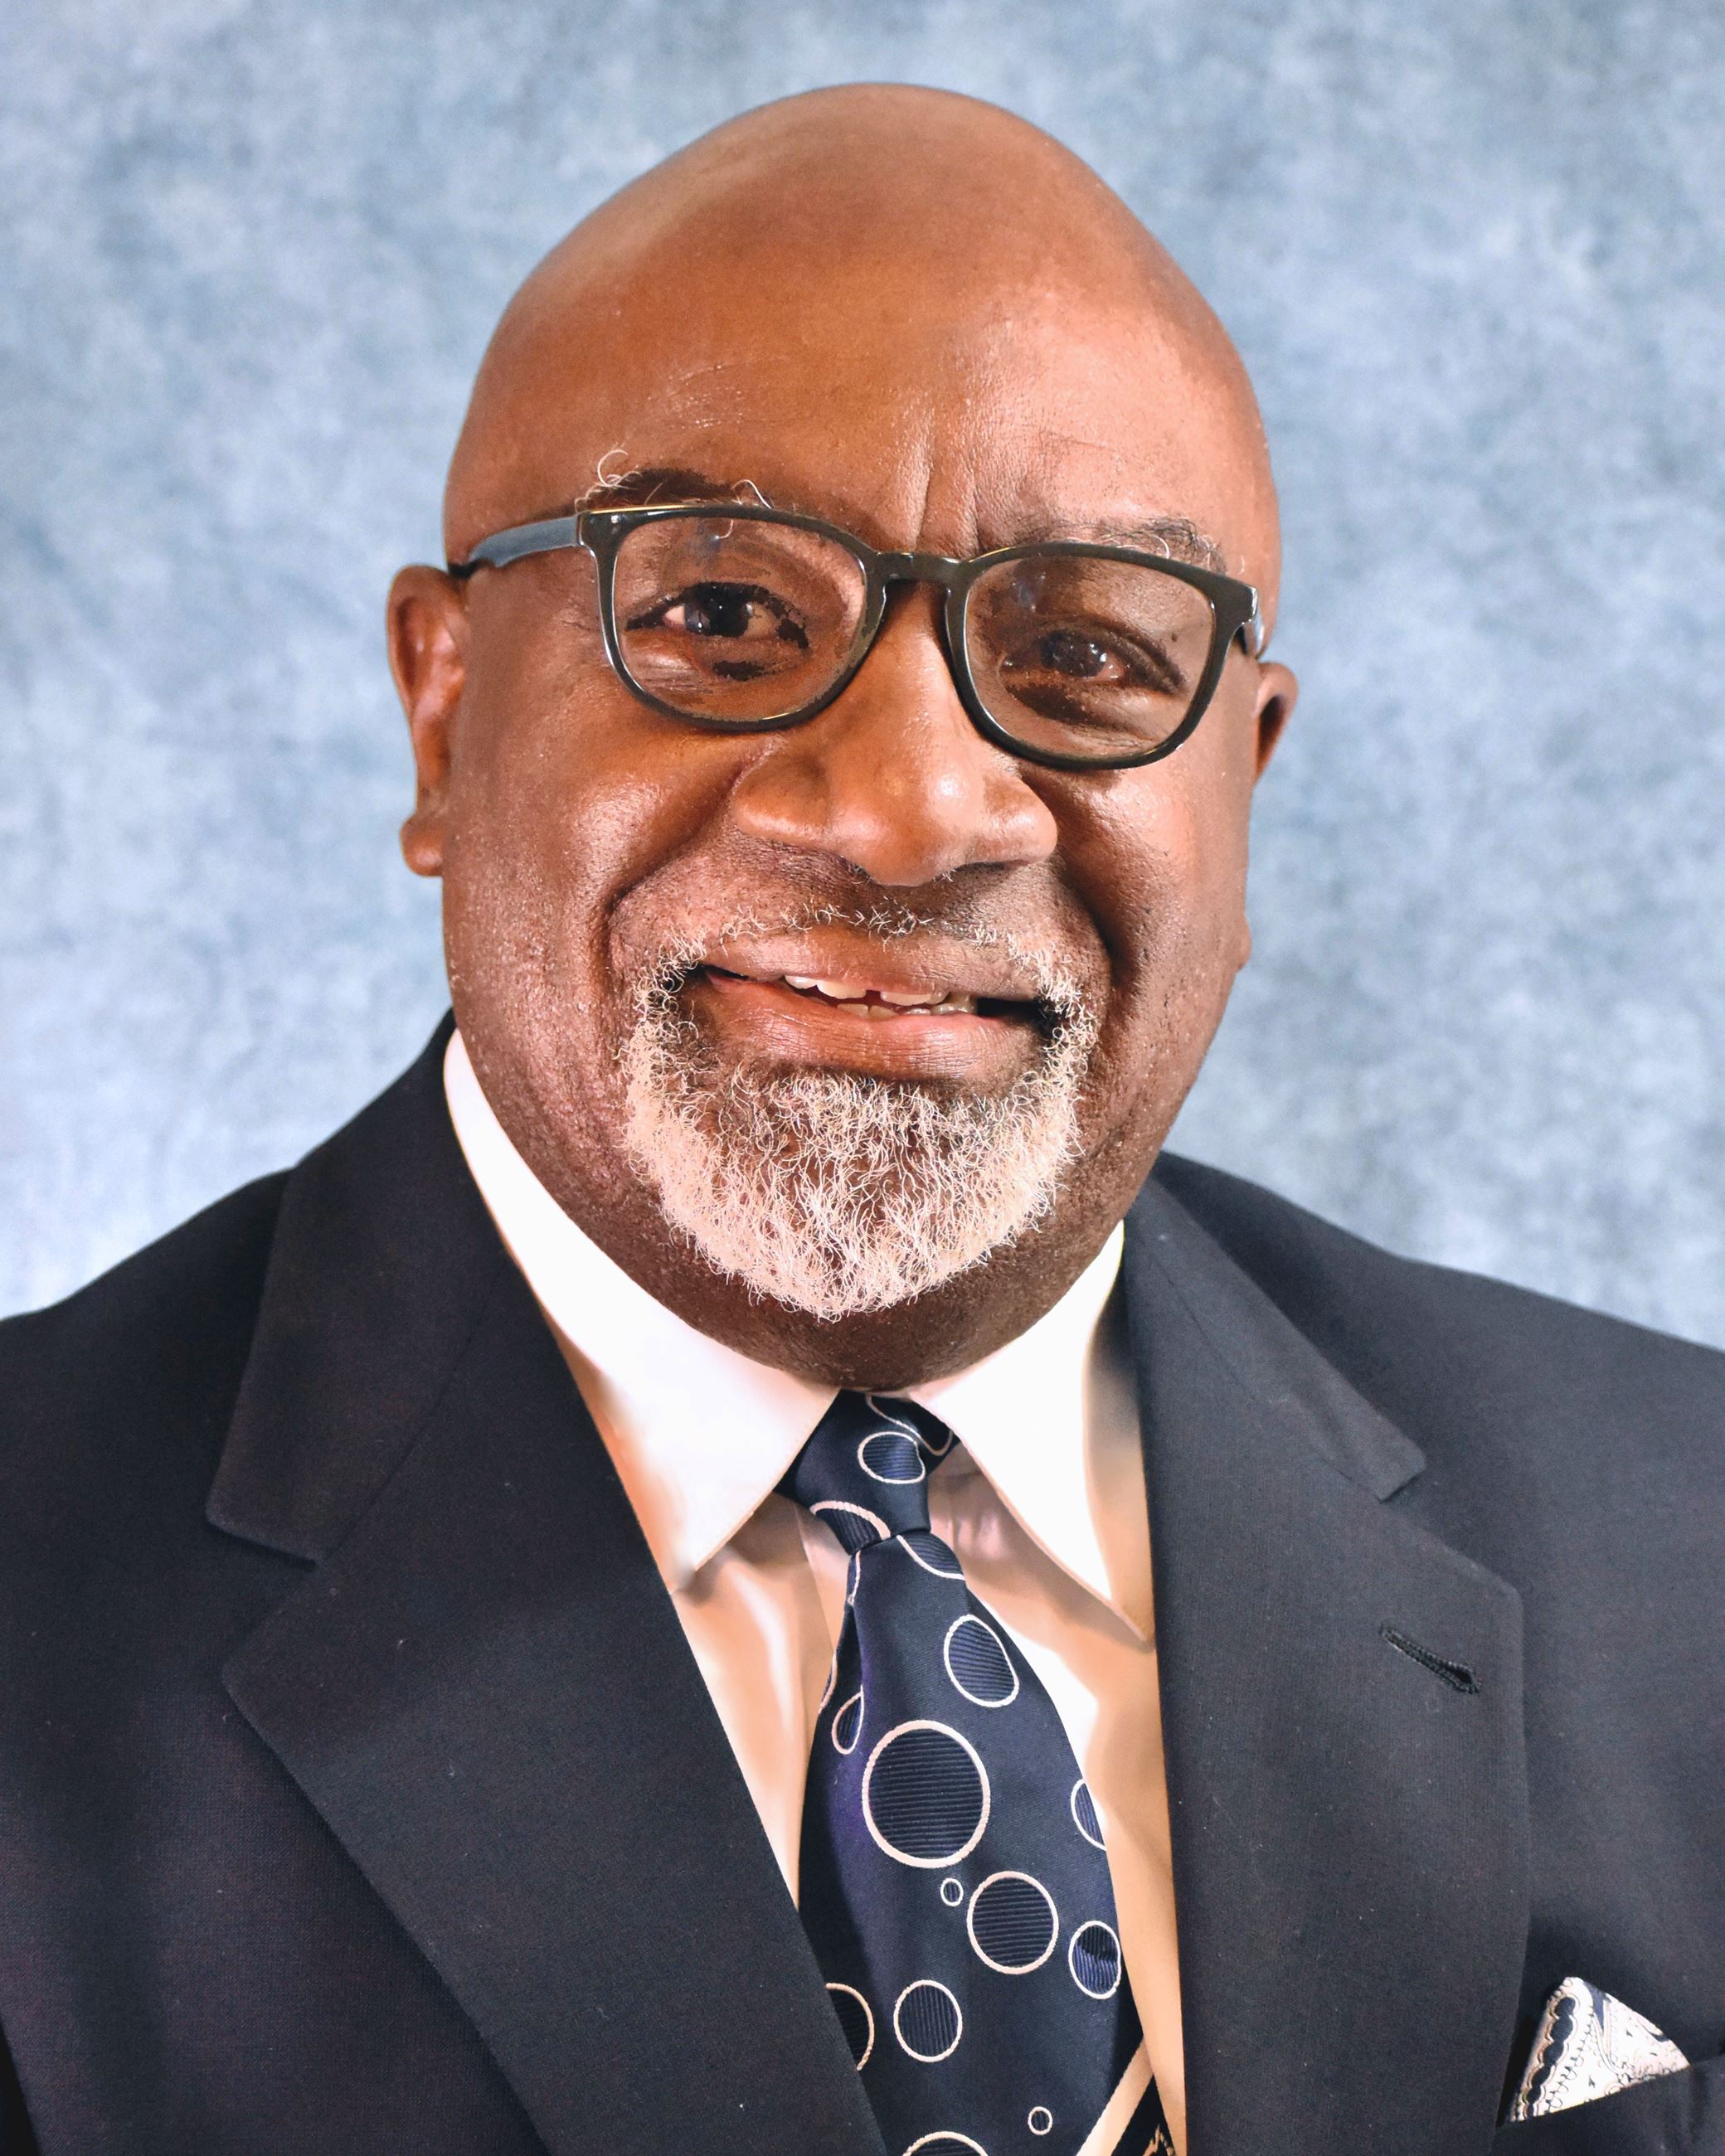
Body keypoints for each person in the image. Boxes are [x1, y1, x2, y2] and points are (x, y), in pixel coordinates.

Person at [0, 82, 1720, 2156]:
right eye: (723, 614)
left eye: (1082, 652)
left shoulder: (1680, 1541)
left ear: (1241, 776)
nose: (914, 810)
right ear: (444, 709)